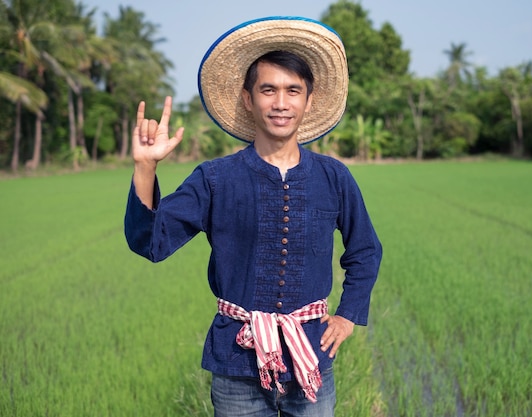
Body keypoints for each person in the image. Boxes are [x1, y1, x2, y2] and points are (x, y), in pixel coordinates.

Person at [124, 16, 382, 417]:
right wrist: (145, 168)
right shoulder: (215, 179)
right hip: (236, 367)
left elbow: (365, 249)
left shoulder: (334, 177)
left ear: (308, 101)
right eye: (268, 90)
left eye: (293, 90)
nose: (281, 103)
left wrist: (348, 316)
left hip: (311, 359)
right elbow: (150, 243)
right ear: (248, 99)